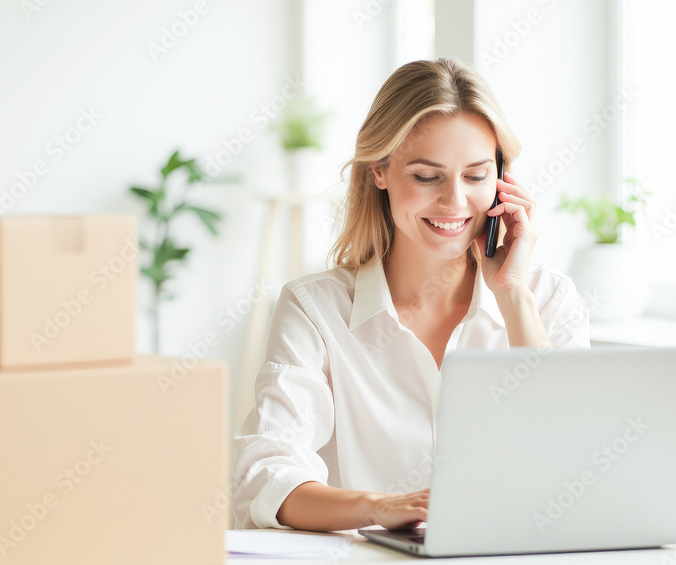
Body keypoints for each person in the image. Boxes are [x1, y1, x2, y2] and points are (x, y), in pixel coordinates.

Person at [231, 57, 591, 532]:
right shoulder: (315, 309)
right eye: (426, 176)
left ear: (503, 180)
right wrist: (379, 508)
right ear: (379, 171)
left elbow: (574, 464)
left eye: (476, 176)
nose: (455, 201)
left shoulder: (548, 299)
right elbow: (265, 478)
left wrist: (513, 296)